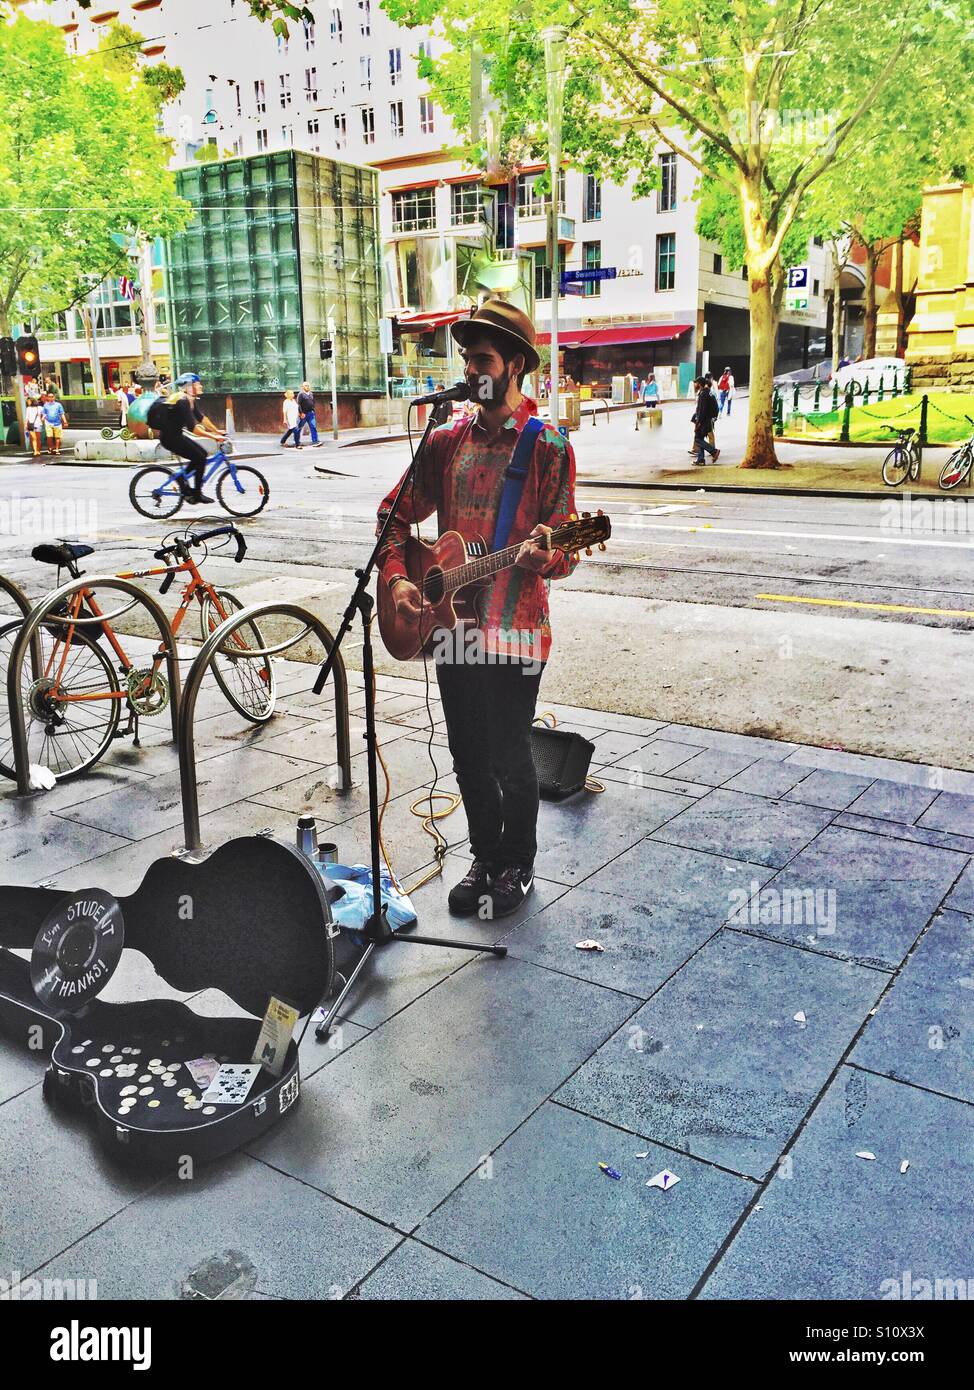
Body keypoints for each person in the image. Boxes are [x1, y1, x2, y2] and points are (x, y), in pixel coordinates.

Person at [377, 298, 580, 919]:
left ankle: (517, 862)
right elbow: (392, 514)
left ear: (515, 364)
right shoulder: (445, 441)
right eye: (466, 357)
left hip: (515, 630)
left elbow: (567, 545)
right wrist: (396, 582)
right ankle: (484, 856)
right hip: (449, 627)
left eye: (483, 358)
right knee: (466, 752)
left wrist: (546, 556)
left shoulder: (547, 446)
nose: (472, 368)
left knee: (509, 755)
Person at [146, 372, 225, 505]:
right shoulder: (182, 401)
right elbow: (192, 428)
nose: (200, 386)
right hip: (170, 439)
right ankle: (197, 494)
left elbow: (201, 418)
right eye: (197, 383)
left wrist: (217, 431)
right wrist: (213, 437)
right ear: (189, 386)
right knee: (200, 458)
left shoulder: (190, 400)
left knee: (202, 455)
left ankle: (182, 480)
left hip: (176, 436)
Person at [692, 377, 720, 465]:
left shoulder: (703, 394)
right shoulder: (709, 393)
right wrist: (714, 417)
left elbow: (702, 410)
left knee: (697, 439)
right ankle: (700, 460)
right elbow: (716, 407)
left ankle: (714, 451)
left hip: (703, 421)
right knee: (700, 438)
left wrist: (698, 422)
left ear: (699, 384)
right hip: (708, 420)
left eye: (696, 383)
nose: (694, 385)